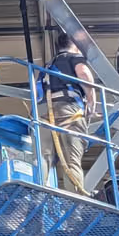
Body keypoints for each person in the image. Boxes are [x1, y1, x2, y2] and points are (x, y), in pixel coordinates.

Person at [45, 29, 98, 194]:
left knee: (43, 159)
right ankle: (75, 204)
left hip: (43, 114)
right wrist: (91, 100)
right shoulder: (74, 58)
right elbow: (83, 74)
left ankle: (37, 197)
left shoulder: (46, 68)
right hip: (68, 110)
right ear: (75, 45)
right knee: (71, 161)